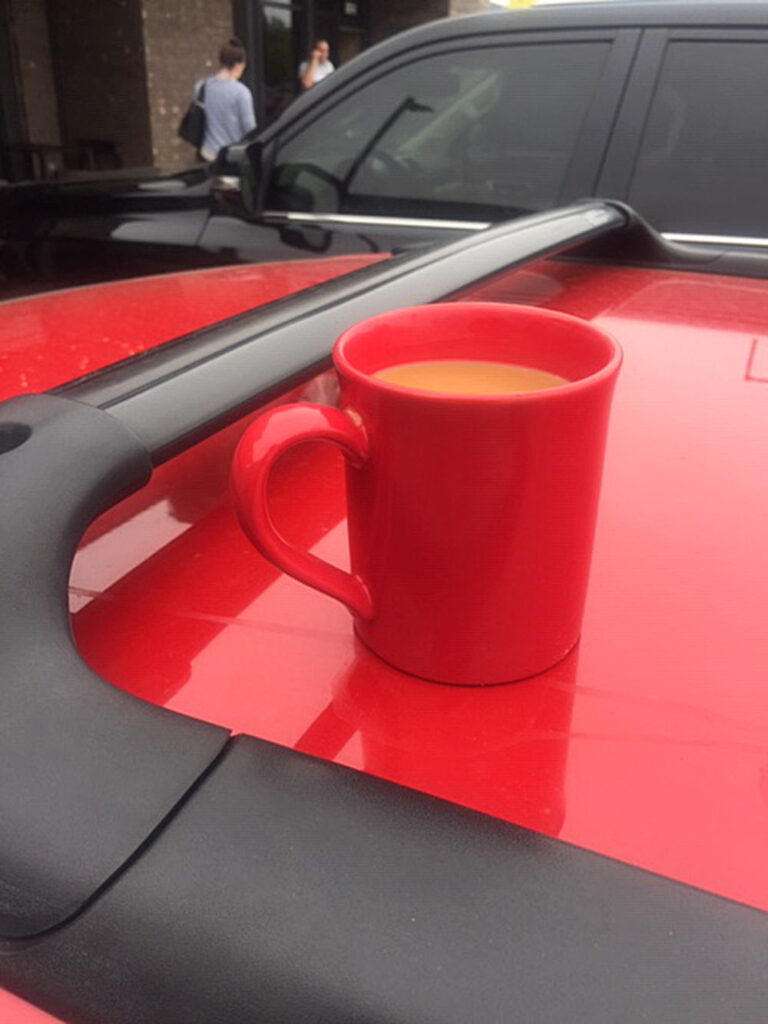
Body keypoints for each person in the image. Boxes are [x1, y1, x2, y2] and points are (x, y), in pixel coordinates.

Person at [198, 38, 257, 163]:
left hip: (207, 155)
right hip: (231, 158)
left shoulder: (201, 87)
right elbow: (250, 129)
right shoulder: (241, 92)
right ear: (238, 65)